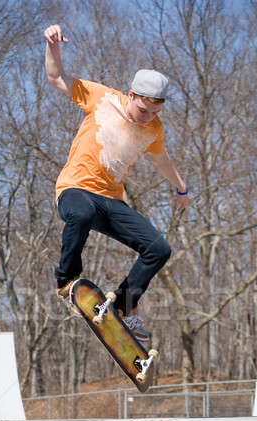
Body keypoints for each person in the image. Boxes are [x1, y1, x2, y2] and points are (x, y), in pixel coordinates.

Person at [44, 24, 188, 342]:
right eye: (142, 108)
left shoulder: (155, 129)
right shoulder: (102, 98)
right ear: (131, 95)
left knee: (158, 249)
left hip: (111, 201)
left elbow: (161, 158)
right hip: (75, 189)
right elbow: (56, 78)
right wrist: (52, 45)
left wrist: (181, 187)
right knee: (80, 215)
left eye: (155, 111)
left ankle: (123, 307)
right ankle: (66, 283)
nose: (147, 116)